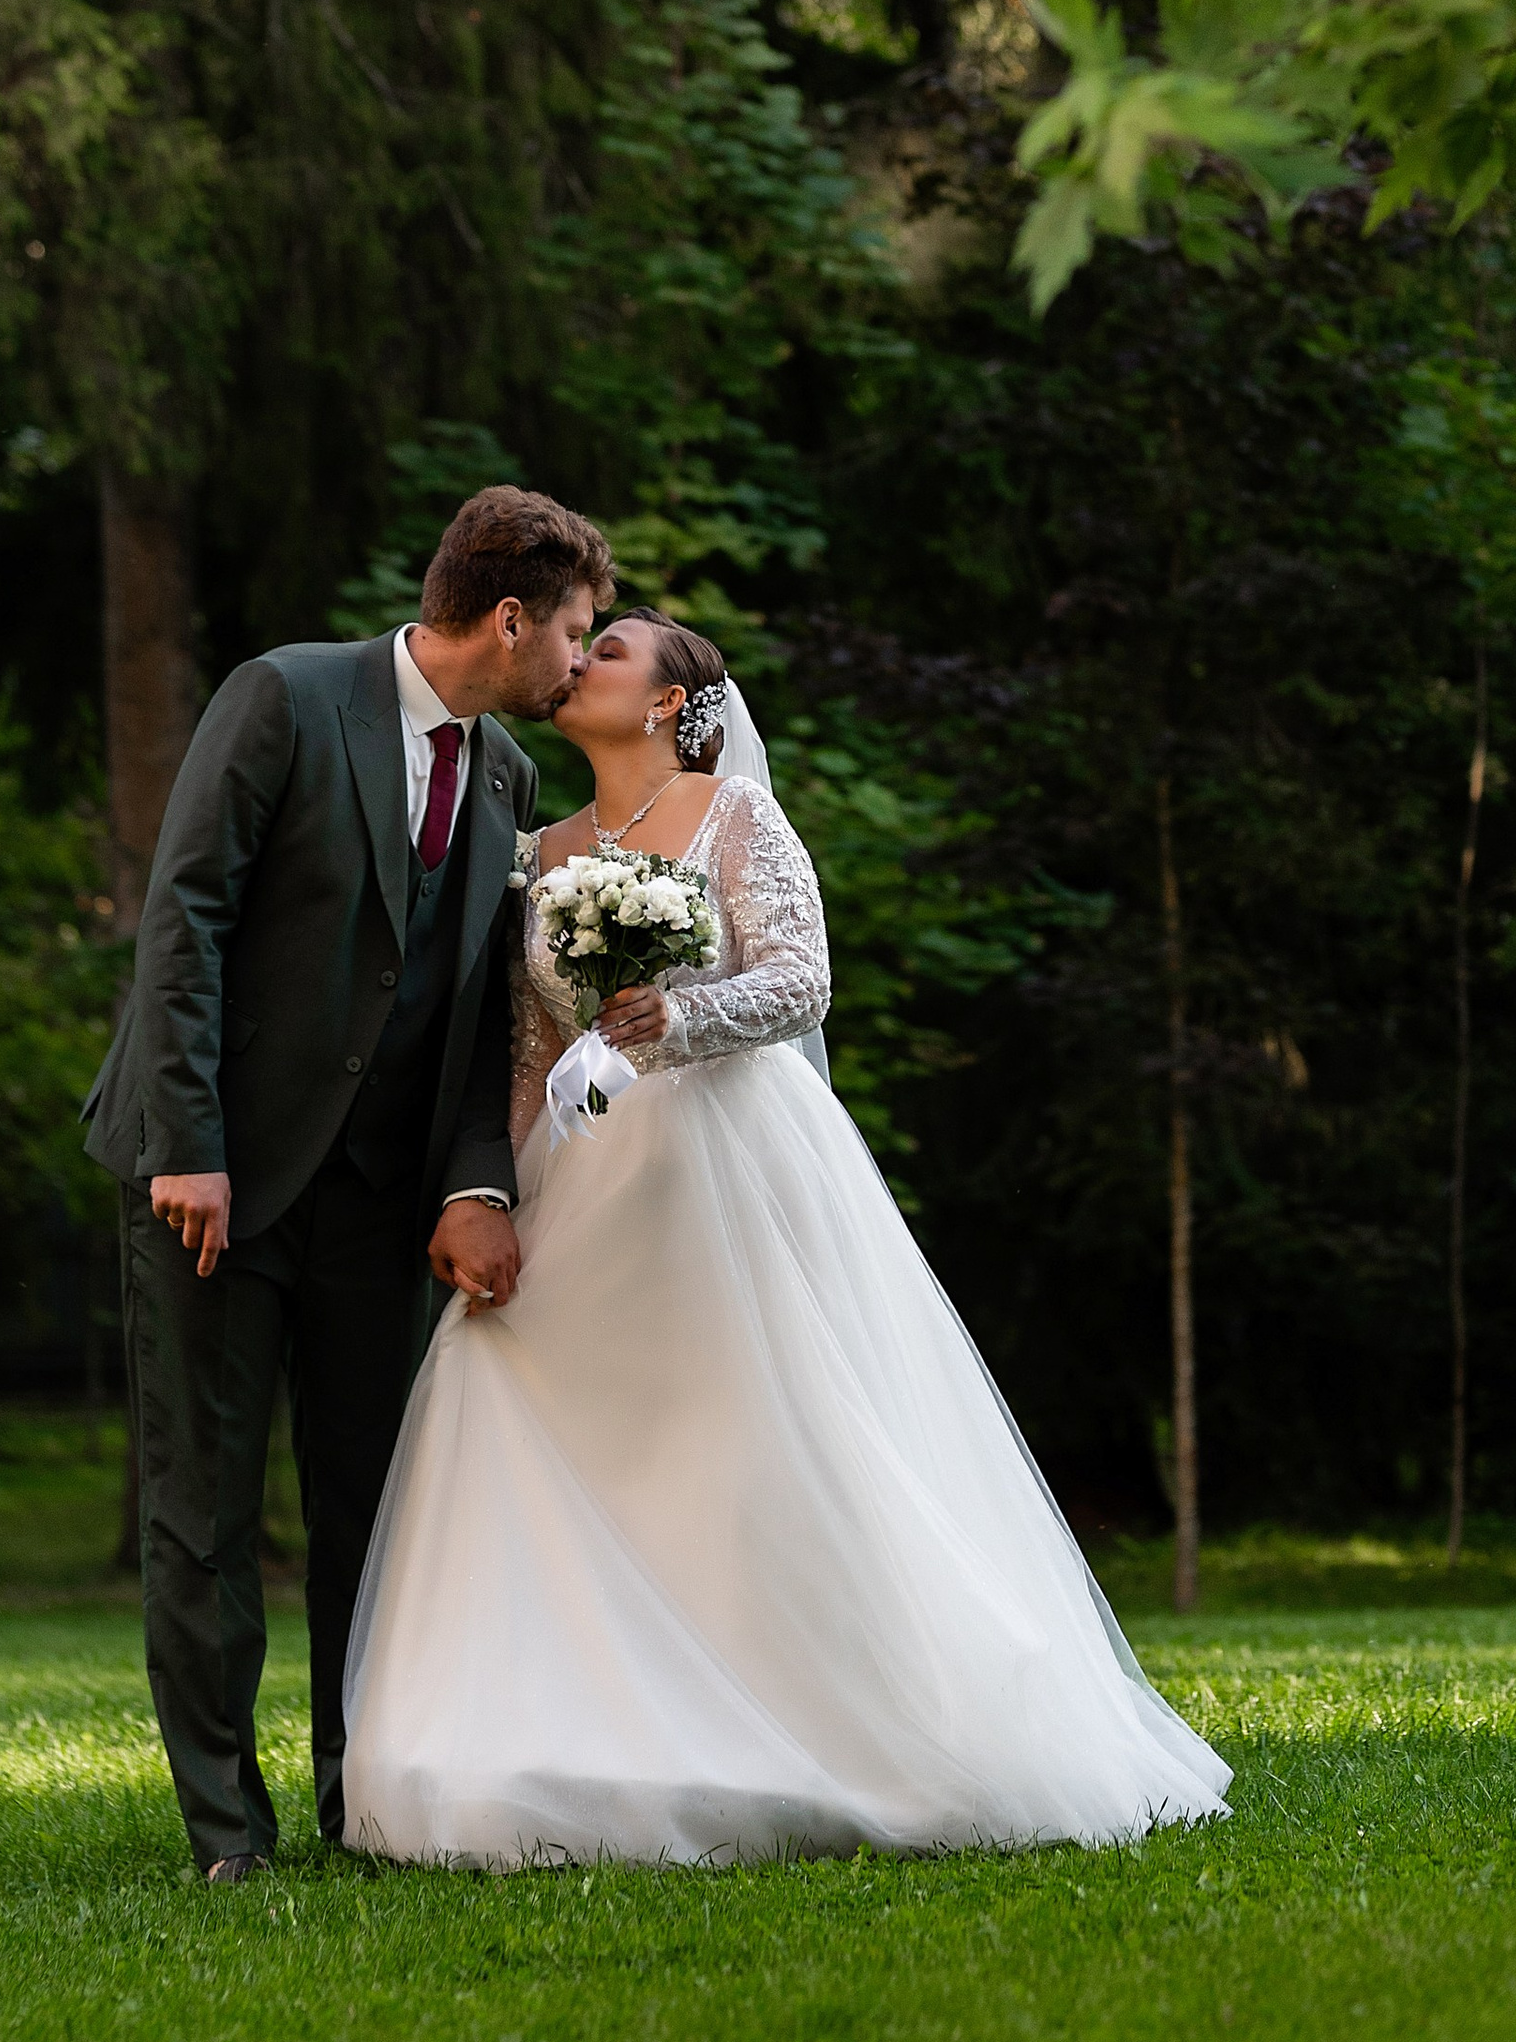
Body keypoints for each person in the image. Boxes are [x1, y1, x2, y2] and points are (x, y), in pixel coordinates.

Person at [340, 611, 1233, 1867]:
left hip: (726, 1169)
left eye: (609, 651)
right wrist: (490, 1192)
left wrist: (673, 1015)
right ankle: (568, 1726)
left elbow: (802, 982)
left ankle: (819, 1724)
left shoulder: (736, 818)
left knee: (746, 1440)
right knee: (528, 1400)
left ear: (667, 701)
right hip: (579, 1181)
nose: (579, 659)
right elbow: (528, 1049)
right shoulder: (535, 850)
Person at [83, 483, 614, 1880]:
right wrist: (186, 1141)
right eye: (575, 631)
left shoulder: (506, 779)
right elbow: (184, 916)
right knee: (200, 1510)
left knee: (373, 1511)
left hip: (379, 1206)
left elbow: (482, 1009)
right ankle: (224, 1830)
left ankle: (355, 1798)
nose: (579, 661)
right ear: (508, 619)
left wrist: (475, 1186)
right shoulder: (284, 699)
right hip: (216, 1179)